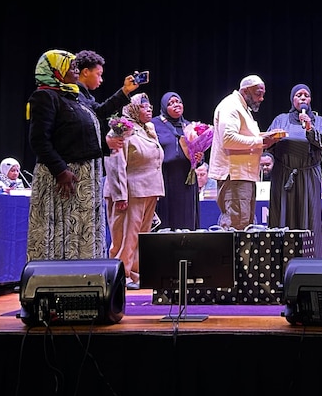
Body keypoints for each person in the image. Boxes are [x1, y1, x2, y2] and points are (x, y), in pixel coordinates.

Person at [26, 48, 137, 263]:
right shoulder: (45, 97)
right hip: (62, 177)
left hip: (84, 175)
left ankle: (84, 272)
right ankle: (57, 275)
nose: (76, 72)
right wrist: (60, 170)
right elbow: (39, 140)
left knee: (81, 230)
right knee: (62, 230)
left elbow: (98, 113)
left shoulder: (74, 97)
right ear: (56, 70)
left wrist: (124, 92)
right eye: (71, 68)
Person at [104, 93, 165, 289]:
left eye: (150, 107)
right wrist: (120, 194)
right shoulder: (121, 127)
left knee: (142, 235)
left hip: (149, 189)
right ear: (133, 108)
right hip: (130, 191)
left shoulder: (147, 129)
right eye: (144, 106)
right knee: (127, 236)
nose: (149, 110)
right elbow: (115, 163)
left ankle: (136, 272)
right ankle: (121, 274)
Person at [266, 84, 322, 258]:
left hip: (309, 176)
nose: (303, 97)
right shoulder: (280, 120)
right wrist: (269, 151)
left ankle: (311, 263)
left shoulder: (319, 121)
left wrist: (310, 128)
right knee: (282, 216)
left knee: (310, 218)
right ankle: (280, 262)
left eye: (306, 95)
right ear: (292, 99)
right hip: (283, 177)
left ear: (310, 100)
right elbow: (266, 144)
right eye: (299, 95)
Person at [209, 75, 281, 230]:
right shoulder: (231, 106)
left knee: (245, 225)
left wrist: (265, 137)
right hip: (234, 176)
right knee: (237, 226)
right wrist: (261, 141)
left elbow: (244, 136)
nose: (261, 98)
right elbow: (228, 139)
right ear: (245, 91)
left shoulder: (242, 108)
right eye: (258, 93)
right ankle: (233, 255)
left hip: (243, 176)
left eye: (263, 94)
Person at [151, 91, 200, 230]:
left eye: (178, 101)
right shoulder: (154, 125)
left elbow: (197, 153)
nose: (176, 105)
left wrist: (199, 159)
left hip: (187, 179)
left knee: (186, 219)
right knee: (167, 219)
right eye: (170, 103)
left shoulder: (190, 126)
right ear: (164, 107)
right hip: (165, 177)